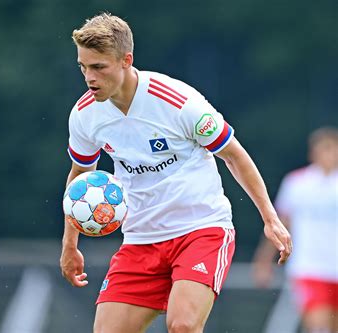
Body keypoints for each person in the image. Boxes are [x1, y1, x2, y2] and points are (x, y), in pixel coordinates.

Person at [60, 12, 292, 333]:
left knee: (182, 326)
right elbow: (79, 178)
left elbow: (234, 155)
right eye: (83, 67)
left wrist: (270, 218)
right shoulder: (85, 115)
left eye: (99, 67)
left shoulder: (178, 102)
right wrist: (69, 244)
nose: (89, 77)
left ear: (126, 60)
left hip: (201, 229)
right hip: (141, 239)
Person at [253, 127, 338, 333]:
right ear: (313, 153)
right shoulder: (296, 183)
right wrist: (263, 260)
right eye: (323, 149)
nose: (328, 155)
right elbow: (280, 224)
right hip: (309, 268)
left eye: (332, 149)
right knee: (319, 327)